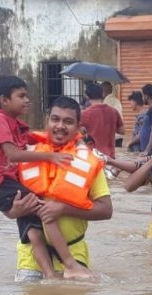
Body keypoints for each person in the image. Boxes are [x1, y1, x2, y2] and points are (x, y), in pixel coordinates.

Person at [0, 75, 93, 280]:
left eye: (68, 123)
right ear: (4, 100)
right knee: (46, 212)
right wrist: (51, 156)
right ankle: (69, 264)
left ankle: (50, 275)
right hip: (1, 183)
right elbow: (13, 155)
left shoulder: (15, 124)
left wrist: (77, 140)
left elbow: (37, 137)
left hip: (1, 186)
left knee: (33, 227)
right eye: (21, 96)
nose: (27, 100)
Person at [13, 96, 114, 281]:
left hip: (74, 254)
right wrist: (14, 210)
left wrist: (64, 209)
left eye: (68, 122)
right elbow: (6, 204)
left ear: (78, 127)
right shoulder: (26, 156)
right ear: (47, 121)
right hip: (30, 256)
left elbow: (106, 210)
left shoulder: (88, 162)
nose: (60, 126)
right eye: (55, 119)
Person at [80, 82, 124, 159]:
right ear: (102, 94)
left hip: (93, 156)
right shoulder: (113, 111)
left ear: (87, 96)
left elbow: (77, 132)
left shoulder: (85, 114)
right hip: (110, 156)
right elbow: (122, 131)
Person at [101, 81, 124, 148]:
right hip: (119, 135)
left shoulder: (106, 102)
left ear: (103, 91)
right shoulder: (116, 100)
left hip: (111, 136)